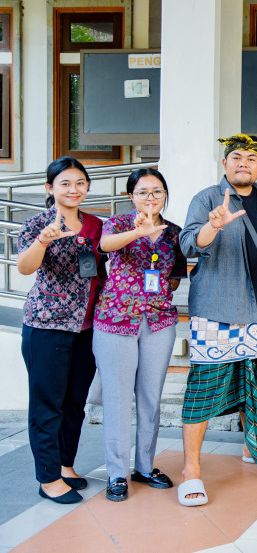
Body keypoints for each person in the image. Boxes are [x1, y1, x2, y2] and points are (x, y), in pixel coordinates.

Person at [178, 134, 257, 507]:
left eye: (251, 158)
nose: (243, 163)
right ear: (225, 163)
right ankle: (191, 471)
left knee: (253, 381)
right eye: (236, 157)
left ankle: (254, 446)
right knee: (203, 389)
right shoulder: (208, 199)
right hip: (217, 309)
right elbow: (187, 244)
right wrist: (213, 225)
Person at [93, 168, 187, 501]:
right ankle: (116, 474)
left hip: (158, 323)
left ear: (165, 195)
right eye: (143, 192)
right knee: (118, 400)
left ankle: (144, 466)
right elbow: (105, 246)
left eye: (157, 191)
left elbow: (175, 276)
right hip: (116, 321)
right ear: (131, 195)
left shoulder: (173, 232)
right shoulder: (118, 224)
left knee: (150, 397)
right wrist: (139, 233)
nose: (151, 197)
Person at [17, 157, 106, 504]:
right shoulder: (37, 223)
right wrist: (43, 241)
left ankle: (66, 465)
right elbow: (25, 267)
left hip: (87, 328)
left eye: (80, 183)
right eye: (65, 183)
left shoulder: (96, 224)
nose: (74, 189)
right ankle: (48, 477)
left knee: (74, 403)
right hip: (46, 326)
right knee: (47, 404)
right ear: (50, 188)